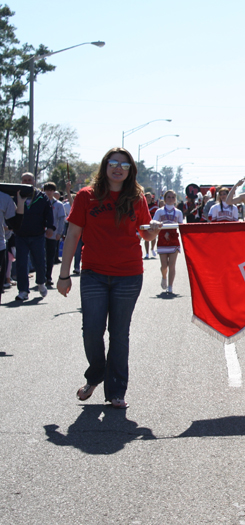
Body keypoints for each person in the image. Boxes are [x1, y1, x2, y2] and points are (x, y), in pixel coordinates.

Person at [57, 147, 162, 409]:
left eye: (124, 165)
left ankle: (116, 390)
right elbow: (72, 235)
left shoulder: (136, 198)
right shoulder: (86, 196)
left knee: (119, 333)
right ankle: (96, 374)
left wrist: (154, 232)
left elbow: (145, 234)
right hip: (94, 273)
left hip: (128, 275)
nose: (118, 168)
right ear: (105, 166)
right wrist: (64, 275)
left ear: (130, 171)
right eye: (113, 163)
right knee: (92, 331)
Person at [14, 172, 55, 301]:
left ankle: (41, 283)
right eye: (24, 180)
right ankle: (23, 291)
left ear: (34, 181)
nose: (27, 182)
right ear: (21, 182)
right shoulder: (16, 196)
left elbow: (49, 214)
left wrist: (50, 227)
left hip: (37, 235)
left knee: (39, 262)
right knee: (21, 264)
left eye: (29, 180)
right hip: (20, 235)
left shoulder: (42, 197)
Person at [152, 190, 184, 294]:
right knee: (164, 265)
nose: (170, 199)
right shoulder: (159, 211)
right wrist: (161, 229)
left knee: (172, 265)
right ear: (165, 199)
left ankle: (170, 286)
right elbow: (153, 222)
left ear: (175, 199)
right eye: (168, 197)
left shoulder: (178, 212)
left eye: (172, 197)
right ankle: (164, 276)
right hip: (162, 238)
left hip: (173, 239)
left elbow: (181, 226)